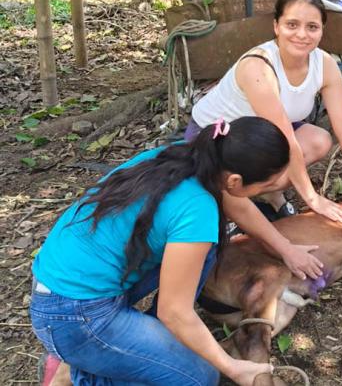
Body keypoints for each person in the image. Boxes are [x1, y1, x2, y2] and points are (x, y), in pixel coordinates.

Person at [30, 117, 294, 385]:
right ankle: (78, 374)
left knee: (208, 246)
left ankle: (133, 349)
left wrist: (287, 249)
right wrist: (233, 367)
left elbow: (236, 205)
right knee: (199, 378)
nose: (271, 189)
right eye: (267, 186)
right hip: (74, 314)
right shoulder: (198, 208)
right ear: (235, 181)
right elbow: (174, 312)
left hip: (61, 283)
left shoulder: (188, 156)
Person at [188, 0, 342, 224]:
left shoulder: (324, 64)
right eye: (292, 25)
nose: (302, 35)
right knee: (226, 196)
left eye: (312, 27)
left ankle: (268, 192)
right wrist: (313, 199)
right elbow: (287, 139)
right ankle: (232, 203)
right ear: (276, 26)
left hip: (259, 139)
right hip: (217, 139)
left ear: (322, 31)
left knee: (320, 140)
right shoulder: (259, 67)